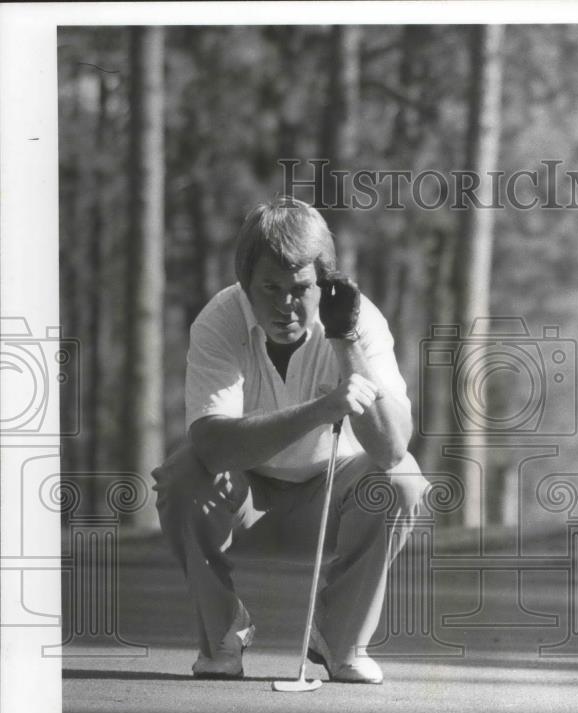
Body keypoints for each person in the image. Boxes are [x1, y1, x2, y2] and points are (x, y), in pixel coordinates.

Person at [152, 196, 428, 683]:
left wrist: (345, 345)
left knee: (403, 481)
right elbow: (211, 446)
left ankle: (339, 641)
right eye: (270, 288)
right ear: (244, 285)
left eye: (301, 288)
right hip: (245, 498)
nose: (285, 305)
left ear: (323, 283)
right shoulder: (220, 319)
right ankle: (224, 633)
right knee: (180, 477)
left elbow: (391, 449)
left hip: (332, 500)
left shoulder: (360, 322)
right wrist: (321, 409)